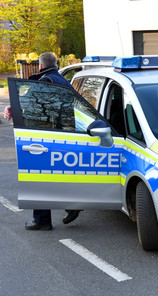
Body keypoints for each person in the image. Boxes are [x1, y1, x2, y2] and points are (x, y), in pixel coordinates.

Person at [3, 52, 82, 230]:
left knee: (38, 177)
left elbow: (34, 108)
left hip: (45, 135)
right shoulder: (61, 80)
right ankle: (72, 205)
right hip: (63, 135)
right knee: (57, 175)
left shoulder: (45, 81)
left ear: (40, 65)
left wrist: (14, 111)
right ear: (55, 63)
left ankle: (42, 220)